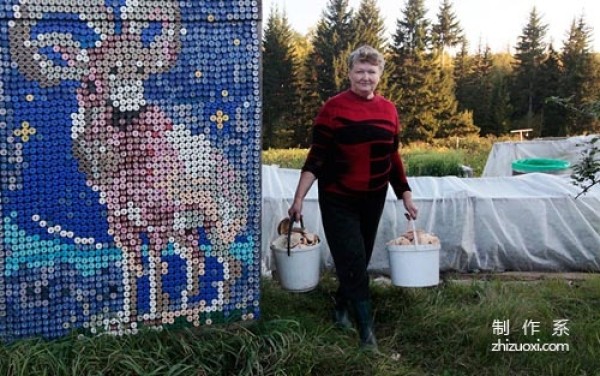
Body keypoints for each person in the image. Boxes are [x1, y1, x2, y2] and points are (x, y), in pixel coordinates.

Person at [288, 45, 418, 350]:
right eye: (359, 70)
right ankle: (367, 333)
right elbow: (316, 157)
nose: (365, 76)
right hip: (338, 198)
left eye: (371, 71)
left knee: (357, 259)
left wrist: (405, 195)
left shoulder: (389, 110)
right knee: (354, 259)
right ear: (348, 73)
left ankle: (341, 305)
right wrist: (298, 199)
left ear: (379, 75)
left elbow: (393, 158)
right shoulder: (333, 109)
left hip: (373, 199)